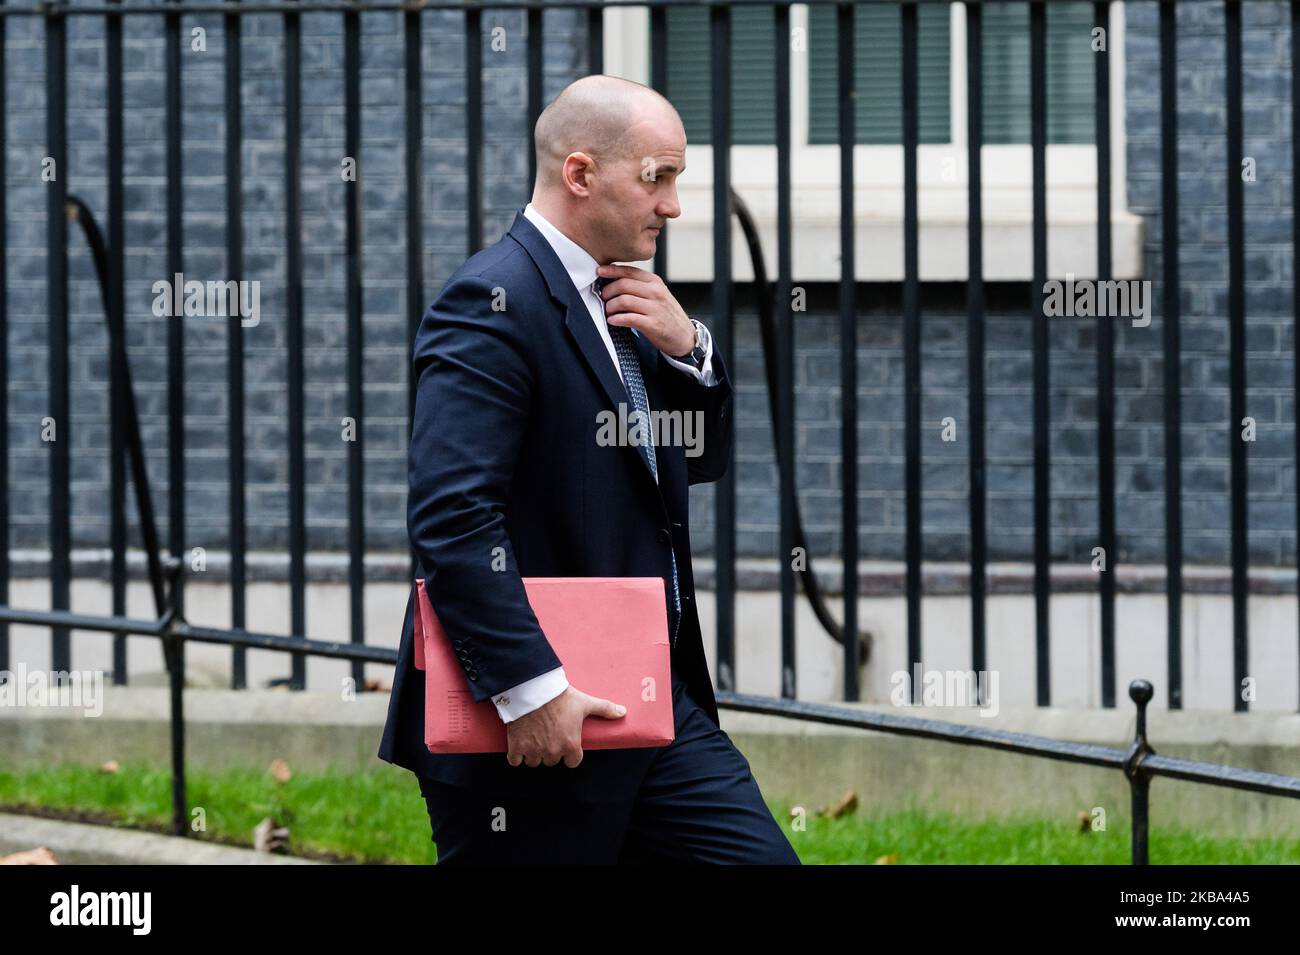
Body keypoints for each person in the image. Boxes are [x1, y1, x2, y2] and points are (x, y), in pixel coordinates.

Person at [377, 74, 799, 865]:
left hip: (647, 699)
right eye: (658, 177)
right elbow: (452, 515)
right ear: (579, 174)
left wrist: (691, 351)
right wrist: (532, 690)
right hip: (532, 726)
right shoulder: (491, 301)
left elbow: (694, 460)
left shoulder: (624, 299)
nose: (672, 204)